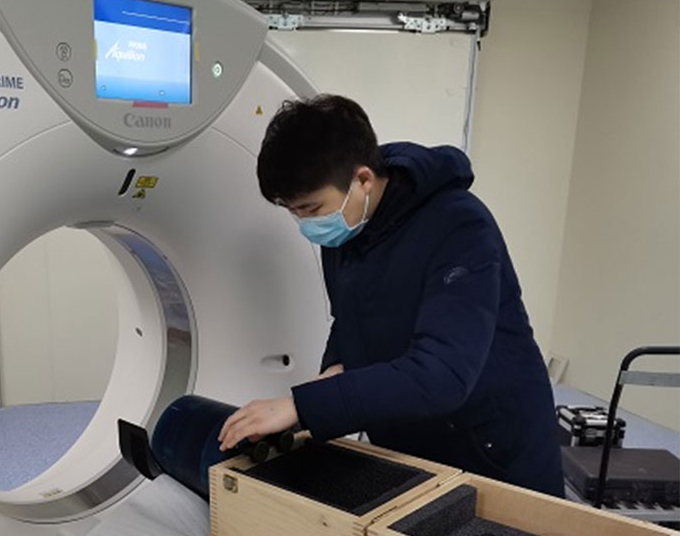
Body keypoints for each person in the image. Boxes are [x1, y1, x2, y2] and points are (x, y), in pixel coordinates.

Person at [218, 95, 564, 497]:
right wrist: (333, 372)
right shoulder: (348, 228)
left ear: (363, 180)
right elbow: (347, 319)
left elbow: (442, 375)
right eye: (293, 212)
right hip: (412, 441)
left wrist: (301, 406)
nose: (305, 225)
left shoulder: (459, 225)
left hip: (491, 449)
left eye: (311, 209)